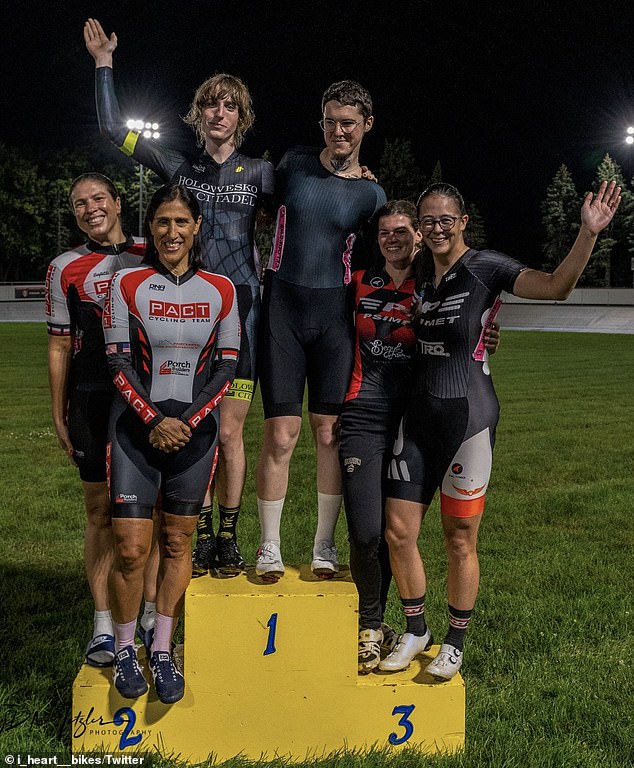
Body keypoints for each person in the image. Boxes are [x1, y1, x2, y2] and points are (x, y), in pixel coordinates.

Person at [379, 180, 621, 679]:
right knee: (399, 531)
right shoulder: (420, 274)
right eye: (429, 221)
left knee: (459, 538)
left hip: (470, 419)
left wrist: (588, 233)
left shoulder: (487, 268)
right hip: (418, 420)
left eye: (447, 219)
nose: (438, 228)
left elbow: (556, 287)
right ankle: (416, 628)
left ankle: (455, 641)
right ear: (421, 230)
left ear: (463, 221)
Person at [84, 18, 274, 577]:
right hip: (180, 321)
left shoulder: (262, 172)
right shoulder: (178, 168)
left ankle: (226, 537)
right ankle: (182, 529)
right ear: (198, 115)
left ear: (241, 116)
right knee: (184, 422)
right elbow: (110, 128)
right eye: (210, 105)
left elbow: (311, 216)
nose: (219, 114)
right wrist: (103, 65)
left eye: (229, 106)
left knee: (232, 429)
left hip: (240, 311)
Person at [340, 200, 500, 674]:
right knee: (380, 532)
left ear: (418, 236)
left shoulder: (435, 283)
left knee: (443, 535)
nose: (394, 238)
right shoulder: (358, 282)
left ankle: (437, 633)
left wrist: (489, 335)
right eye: (385, 231)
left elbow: (470, 324)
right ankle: (387, 626)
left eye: (403, 230)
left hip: (426, 414)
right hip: (372, 415)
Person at [103, 184, 240, 703]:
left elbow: (227, 368)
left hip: (195, 435)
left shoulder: (222, 289)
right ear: (152, 228)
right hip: (135, 431)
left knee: (178, 544)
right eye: (162, 222)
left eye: (181, 222)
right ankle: (122, 649)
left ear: (197, 226)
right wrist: (153, 418)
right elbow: (117, 361)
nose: (171, 232)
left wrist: (187, 421)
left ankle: (161, 649)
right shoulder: (127, 283)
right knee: (133, 550)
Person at [255, 80, 387, 581]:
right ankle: (268, 545)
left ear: (366, 126)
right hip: (281, 309)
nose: (338, 131)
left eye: (348, 123)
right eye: (330, 121)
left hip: (335, 317)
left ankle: (324, 544)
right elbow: (254, 206)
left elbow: (387, 262)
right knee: (281, 435)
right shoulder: (293, 164)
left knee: (329, 433)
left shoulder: (373, 194)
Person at [45, 172, 158, 668]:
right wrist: (58, 411)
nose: (89, 208)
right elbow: (58, 344)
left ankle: (151, 612)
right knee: (99, 513)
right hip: (90, 398)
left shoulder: (151, 249)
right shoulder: (64, 267)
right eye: (78, 204)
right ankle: (104, 627)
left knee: (147, 511)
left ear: (117, 201)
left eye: (97, 199)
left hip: (149, 398)